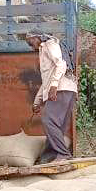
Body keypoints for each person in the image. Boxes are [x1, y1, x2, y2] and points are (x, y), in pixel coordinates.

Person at [27, 32, 79, 162]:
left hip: (61, 88)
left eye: (29, 41)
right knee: (58, 126)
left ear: (36, 37)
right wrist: (36, 102)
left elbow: (61, 64)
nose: (29, 46)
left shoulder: (49, 44)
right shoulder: (44, 49)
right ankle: (49, 155)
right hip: (68, 89)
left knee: (48, 121)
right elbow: (46, 81)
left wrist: (54, 86)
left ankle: (63, 154)